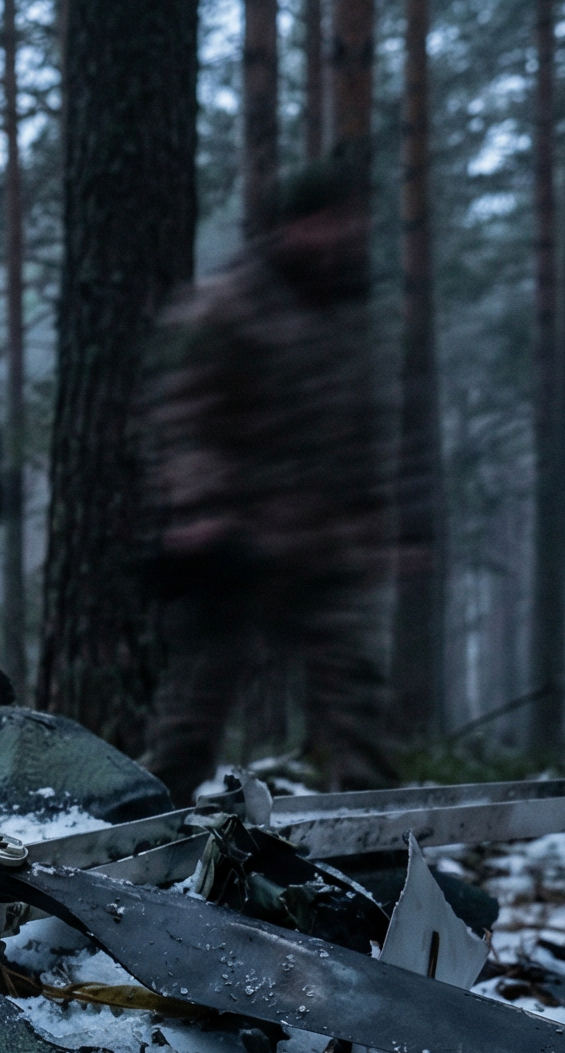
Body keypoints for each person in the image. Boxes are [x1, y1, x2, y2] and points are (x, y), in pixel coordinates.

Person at [141, 162, 397, 800]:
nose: (339, 235)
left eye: (348, 222)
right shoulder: (229, 303)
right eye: (327, 221)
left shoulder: (348, 310)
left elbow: (367, 424)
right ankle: (145, 831)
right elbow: (185, 415)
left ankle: (375, 838)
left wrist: (375, 515)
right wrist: (198, 507)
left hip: (325, 547)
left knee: (355, 699)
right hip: (238, 546)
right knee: (194, 711)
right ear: (294, 225)